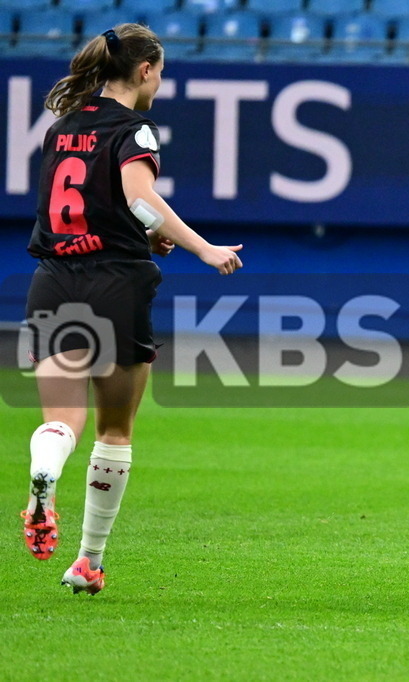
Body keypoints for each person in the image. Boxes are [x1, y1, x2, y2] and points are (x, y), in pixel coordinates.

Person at [20, 24, 243, 595]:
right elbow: (138, 196)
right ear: (145, 70)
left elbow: (82, 206)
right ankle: (88, 561)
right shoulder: (134, 127)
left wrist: (144, 236)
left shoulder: (63, 126)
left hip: (53, 280)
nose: (160, 84)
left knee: (61, 418)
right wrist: (202, 247)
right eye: (160, 73)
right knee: (115, 429)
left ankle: (43, 473)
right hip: (115, 284)